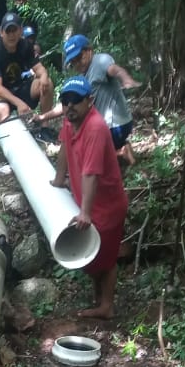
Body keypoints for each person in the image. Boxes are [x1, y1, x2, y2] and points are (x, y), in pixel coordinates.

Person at [50, 75, 129, 319]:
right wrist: (59, 178)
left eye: (76, 100)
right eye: (65, 101)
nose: (70, 106)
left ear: (90, 101)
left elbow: (91, 173)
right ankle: (99, 299)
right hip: (89, 202)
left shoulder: (94, 128)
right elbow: (64, 146)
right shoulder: (69, 120)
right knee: (93, 259)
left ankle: (107, 306)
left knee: (105, 260)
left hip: (106, 206)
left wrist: (85, 211)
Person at [33, 35, 141, 166]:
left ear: (89, 51)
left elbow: (115, 70)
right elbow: (66, 106)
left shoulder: (100, 61)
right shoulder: (82, 78)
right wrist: (43, 117)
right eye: (73, 62)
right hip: (111, 127)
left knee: (84, 154)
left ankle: (119, 151)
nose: (77, 63)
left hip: (114, 126)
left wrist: (126, 79)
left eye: (79, 58)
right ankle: (119, 148)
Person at [0, 11, 54, 151]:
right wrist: (19, 103)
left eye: (14, 30)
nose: (11, 35)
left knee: (47, 84)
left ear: (20, 31)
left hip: (18, 87)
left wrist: (44, 77)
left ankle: (44, 127)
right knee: (3, 111)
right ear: (1, 33)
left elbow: (40, 69)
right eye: (8, 31)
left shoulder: (25, 46)